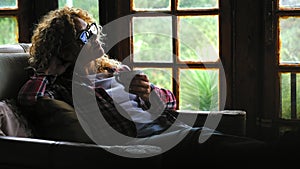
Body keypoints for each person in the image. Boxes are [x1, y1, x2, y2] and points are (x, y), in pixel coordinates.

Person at [17, 7, 269, 164]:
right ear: (65, 50)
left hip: (168, 126)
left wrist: (149, 94)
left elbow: (171, 101)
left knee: (227, 145)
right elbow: (29, 98)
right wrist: (50, 70)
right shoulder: (64, 86)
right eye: (84, 35)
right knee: (225, 147)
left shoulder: (116, 70)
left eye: (92, 28)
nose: (94, 36)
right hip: (142, 142)